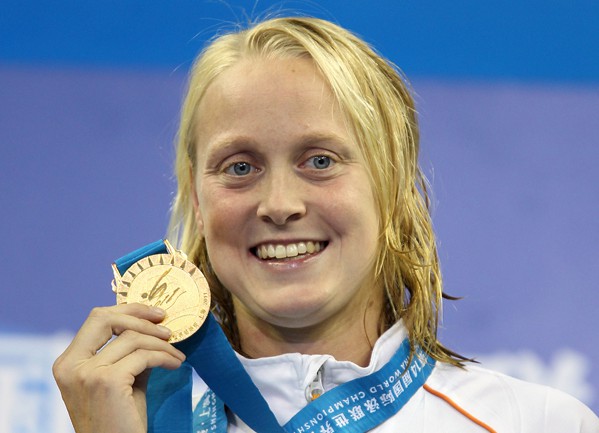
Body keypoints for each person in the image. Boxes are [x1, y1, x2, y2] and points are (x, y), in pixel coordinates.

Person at [53, 16, 598, 432]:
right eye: (239, 167)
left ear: (392, 185)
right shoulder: (127, 421)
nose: (279, 204)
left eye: (320, 161)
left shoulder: (537, 423)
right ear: (198, 200)